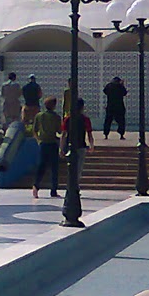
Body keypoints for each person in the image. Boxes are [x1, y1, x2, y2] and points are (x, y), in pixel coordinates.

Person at [61, 96, 95, 227]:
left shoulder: (68, 119)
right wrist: (91, 145)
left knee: (71, 170)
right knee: (78, 169)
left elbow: (64, 134)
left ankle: (72, 188)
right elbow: (89, 134)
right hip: (80, 147)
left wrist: (62, 148)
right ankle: (74, 188)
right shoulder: (84, 119)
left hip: (71, 147)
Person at [30, 96, 60, 198]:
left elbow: (34, 130)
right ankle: (54, 190)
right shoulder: (56, 117)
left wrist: (38, 139)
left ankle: (36, 185)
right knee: (54, 167)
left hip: (43, 143)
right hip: (52, 142)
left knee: (42, 166)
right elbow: (59, 130)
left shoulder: (39, 115)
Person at [102, 75, 128, 139]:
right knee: (121, 121)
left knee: (108, 121)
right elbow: (124, 93)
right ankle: (121, 134)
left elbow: (105, 91)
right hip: (119, 106)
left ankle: (106, 134)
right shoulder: (120, 87)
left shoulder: (109, 86)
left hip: (110, 106)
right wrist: (122, 85)